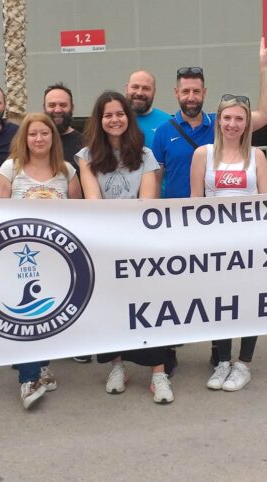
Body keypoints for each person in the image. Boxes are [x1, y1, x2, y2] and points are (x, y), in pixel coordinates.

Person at [75, 91, 171, 404]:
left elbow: (147, 201)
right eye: (108, 115)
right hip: (105, 244)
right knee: (111, 307)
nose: (114, 120)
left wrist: (125, 228)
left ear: (128, 119)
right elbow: (93, 199)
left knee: (150, 306)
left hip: (140, 242)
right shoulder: (86, 157)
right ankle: (117, 366)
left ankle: (159, 373)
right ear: (99, 120)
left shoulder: (145, 155)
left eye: (120, 114)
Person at [0, 112, 79, 408]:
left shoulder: (66, 171)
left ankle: (42, 367)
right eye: (32, 134)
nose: (38, 139)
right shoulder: (10, 169)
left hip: (57, 259)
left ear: (53, 137)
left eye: (44, 133)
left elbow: (82, 213)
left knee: (49, 314)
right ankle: (28, 380)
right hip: (21, 258)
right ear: (24, 138)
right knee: (27, 316)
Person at [190, 94, 267, 392]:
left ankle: (243, 364)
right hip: (215, 244)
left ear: (247, 123)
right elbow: (195, 201)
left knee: (249, 303)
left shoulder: (257, 156)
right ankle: (222, 361)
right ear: (218, 121)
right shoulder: (203, 154)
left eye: (239, 118)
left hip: (250, 244)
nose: (232, 124)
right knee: (220, 303)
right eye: (227, 118)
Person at [152, 37, 267, 200]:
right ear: (176, 92)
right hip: (177, 211)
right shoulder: (163, 131)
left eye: (196, 91)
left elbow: (266, 115)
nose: (191, 97)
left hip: (213, 211)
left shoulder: (223, 123)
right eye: (185, 91)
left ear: (204, 92)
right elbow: (156, 180)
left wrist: (265, 69)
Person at [44, 82, 84, 170]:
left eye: (63, 105)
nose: (57, 110)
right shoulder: (34, 142)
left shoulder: (85, 144)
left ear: (72, 108)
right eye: (52, 105)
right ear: (44, 108)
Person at [125, 70, 171, 142]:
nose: (139, 93)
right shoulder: (113, 121)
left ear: (154, 92)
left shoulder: (168, 123)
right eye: (135, 87)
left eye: (146, 88)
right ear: (127, 88)